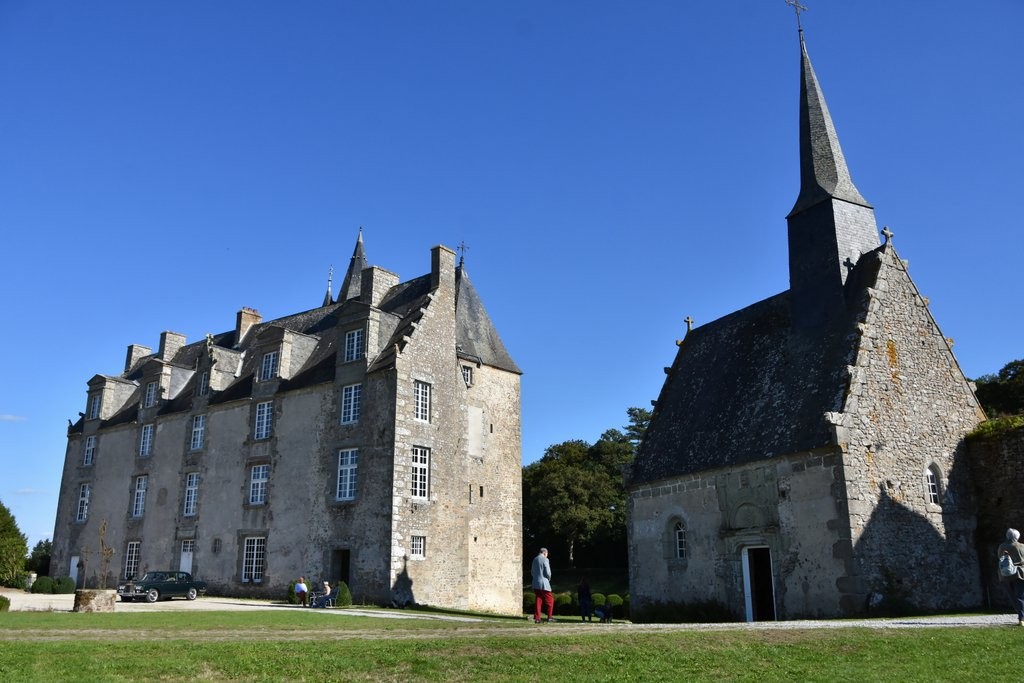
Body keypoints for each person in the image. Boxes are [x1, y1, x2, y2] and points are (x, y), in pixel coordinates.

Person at [998, 528, 1024, 626]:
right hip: (1019, 574)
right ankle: (1021, 618)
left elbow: (1000, 558)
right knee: (1020, 596)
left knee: (1013, 597)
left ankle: (1021, 615)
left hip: (1005, 575)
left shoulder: (1001, 547)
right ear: (1017, 537)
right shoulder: (1021, 546)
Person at [531, 547, 554, 623]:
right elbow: (548, 572)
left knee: (538, 600)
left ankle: (537, 618)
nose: (547, 555)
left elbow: (532, 571)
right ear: (544, 553)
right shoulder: (545, 559)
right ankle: (549, 617)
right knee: (550, 601)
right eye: (547, 554)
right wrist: (548, 579)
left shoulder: (535, 559)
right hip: (544, 583)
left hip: (535, 582)